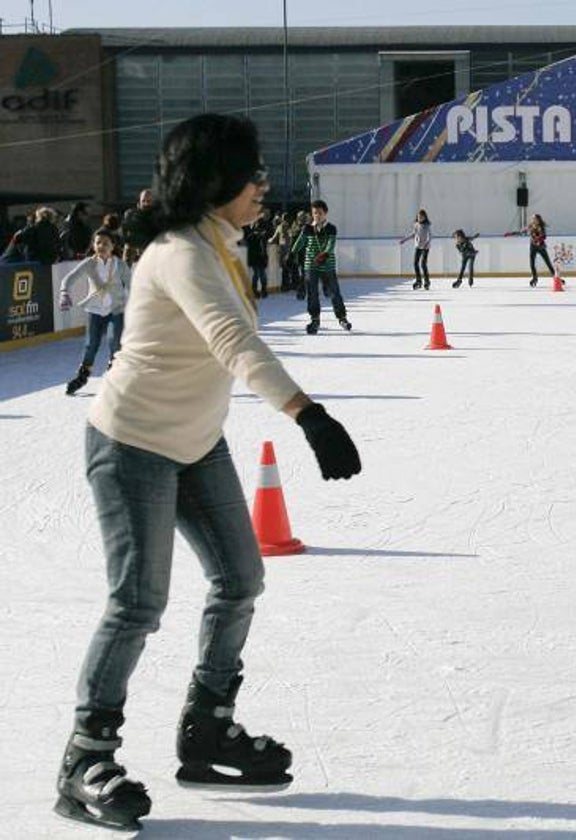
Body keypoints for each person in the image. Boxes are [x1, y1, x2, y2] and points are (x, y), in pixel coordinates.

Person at [53, 113, 362, 833]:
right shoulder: (180, 253)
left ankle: (206, 730)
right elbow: (230, 339)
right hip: (131, 443)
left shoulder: (218, 241)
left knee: (240, 577)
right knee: (137, 601)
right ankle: (84, 759)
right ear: (213, 182)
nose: (263, 184)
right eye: (250, 172)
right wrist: (307, 415)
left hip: (197, 443)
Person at [58, 228, 131, 395]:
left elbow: (132, 284)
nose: (101, 246)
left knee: (115, 343)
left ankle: (114, 375)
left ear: (113, 246)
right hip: (95, 310)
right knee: (91, 344)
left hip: (115, 310)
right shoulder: (89, 263)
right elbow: (68, 278)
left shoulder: (120, 265)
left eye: (106, 243)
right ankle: (82, 375)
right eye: (98, 242)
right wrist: (64, 293)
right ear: (93, 245)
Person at [292, 200, 350, 334]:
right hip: (310, 266)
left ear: (325, 213)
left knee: (335, 292)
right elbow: (300, 242)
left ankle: (342, 317)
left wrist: (325, 254)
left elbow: (331, 244)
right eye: (314, 213)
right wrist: (291, 254)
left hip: (327, 265)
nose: (317, 215)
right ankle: (315, 319)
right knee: (312, 294)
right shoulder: (307, 228)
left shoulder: (331, 228)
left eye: (319, 213)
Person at [243, 208, 272, 298]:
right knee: (258, 274)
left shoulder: (263, 229)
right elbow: (248, 239)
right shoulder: (251, 231)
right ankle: (259, 290)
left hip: (259, 254)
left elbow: (267, 236)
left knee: (259, 274)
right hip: (257, 254)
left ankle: (260, 290)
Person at [528, 213, 555, 286]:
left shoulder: (541, 227)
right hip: (533, 247)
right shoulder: (531, 226)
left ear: (538, 219)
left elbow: (544, 236)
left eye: (534, 218)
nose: (532, 219)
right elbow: (523, 231)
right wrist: (512, 233)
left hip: (541, 247)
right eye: (532, 218)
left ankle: (555, 277)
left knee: (548, 262)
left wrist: (538, 241)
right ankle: (534, 278)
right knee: (532, 263)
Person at [409, 209, 432, 290]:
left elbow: (430, 236)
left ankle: (427, 281)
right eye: (418, 217)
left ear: (425, 217)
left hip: (426, 247)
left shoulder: (427, 225)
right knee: (415, 263)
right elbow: (414, 234)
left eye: (421, 217)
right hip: (418, 246)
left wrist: (427, 242)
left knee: (423, 264)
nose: (420, 218)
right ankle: (419, 281)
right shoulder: (416, 225)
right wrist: (405, 239)